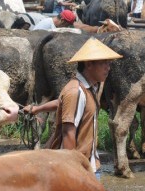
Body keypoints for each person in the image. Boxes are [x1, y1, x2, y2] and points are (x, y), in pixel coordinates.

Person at [23, 38, 122, 180]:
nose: (108, 67)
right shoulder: (75, 91)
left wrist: (37, 109)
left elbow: (61, 103)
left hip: (88, 164)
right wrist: (73, 173)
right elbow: (68, 133)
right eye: (103, 63)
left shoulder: (87, 88)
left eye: (108, 63)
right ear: (89, 64)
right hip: (79, 169)